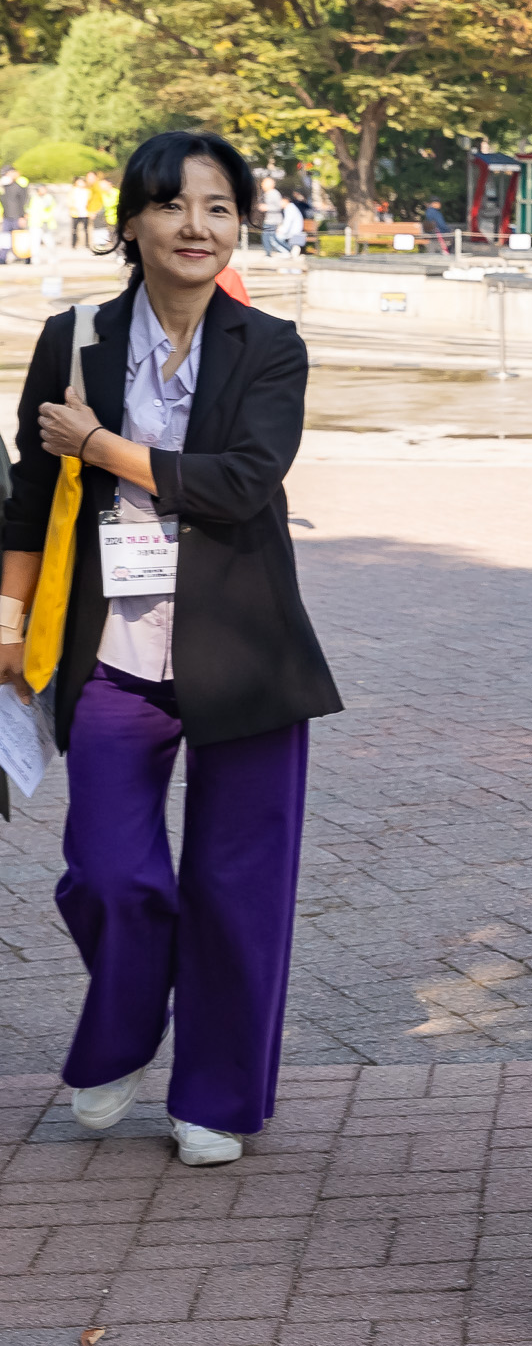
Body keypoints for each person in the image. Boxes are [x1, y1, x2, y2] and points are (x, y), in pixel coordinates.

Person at [0, 130, 342, 1169]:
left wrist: (101, 447)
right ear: (134, 223)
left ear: (240, 225)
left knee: (239, 889)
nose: (197, 227)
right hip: (109, 647)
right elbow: (25, 492)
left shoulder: (270, 345)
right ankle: (123, 1029)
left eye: (220, 208)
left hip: (246, 649)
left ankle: (217, 1096)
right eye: (174, 206)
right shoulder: (76, 339)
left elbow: (243, 481)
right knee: (109, 872)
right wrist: (10, 627)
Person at [1, 167, 28, 264]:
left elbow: (23, 202)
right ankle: (2, 257)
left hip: (17, 216)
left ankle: (23, 256)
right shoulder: (3, 187)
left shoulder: (19, 186)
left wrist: (23, 216)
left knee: (19, 238)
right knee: (5, 238)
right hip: (7, 216)